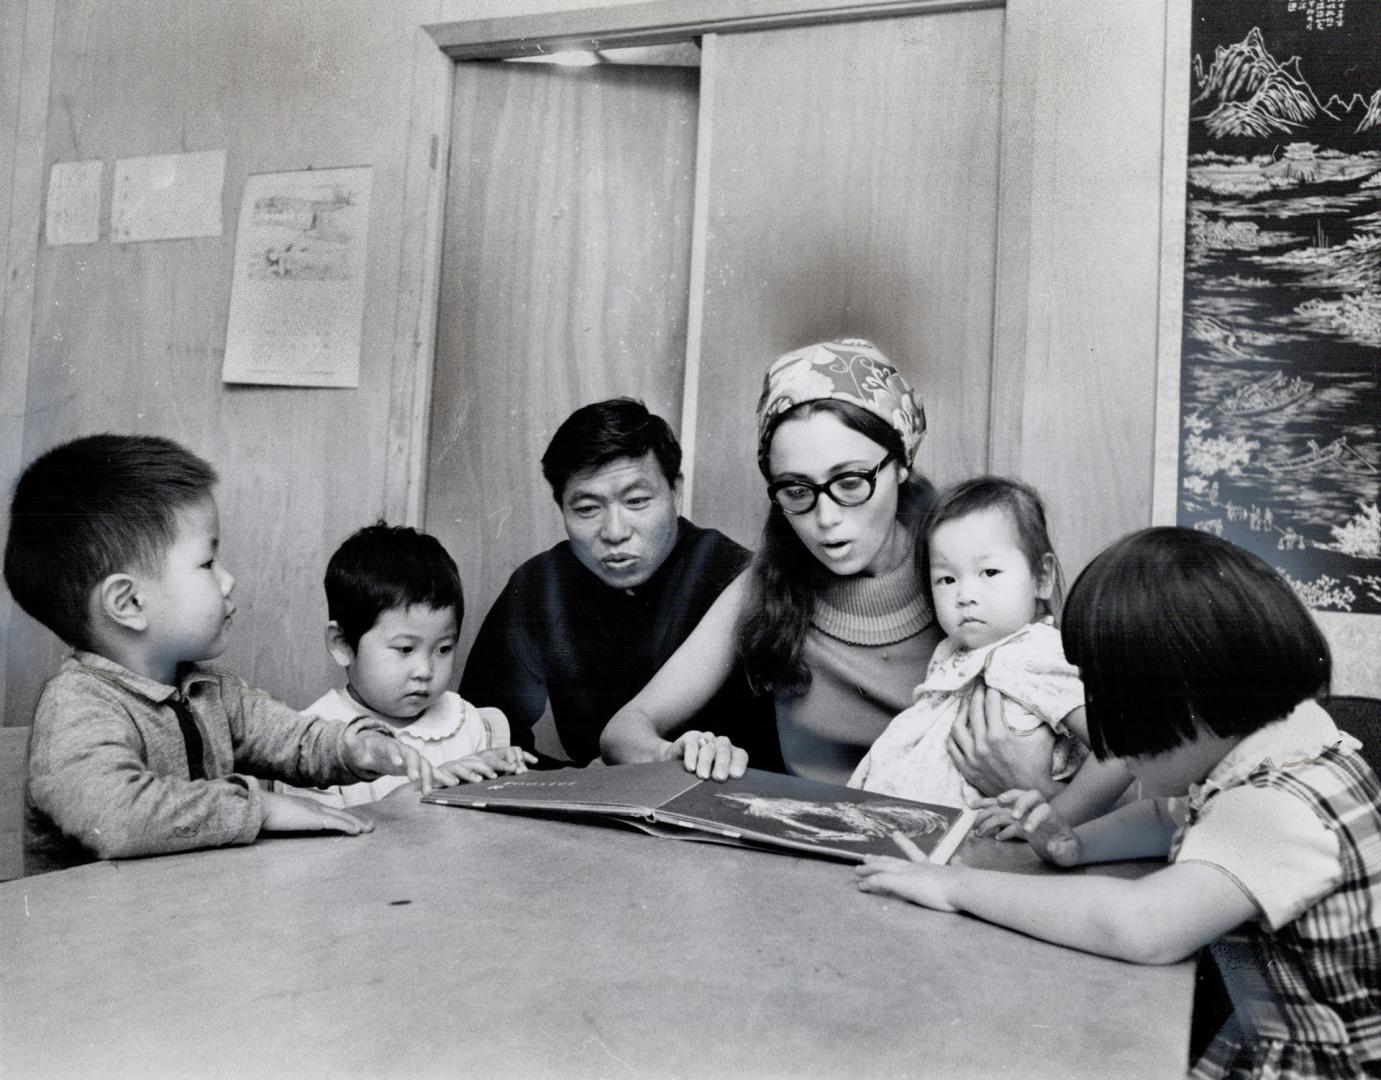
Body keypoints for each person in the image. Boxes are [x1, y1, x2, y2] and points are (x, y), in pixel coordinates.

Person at [856, 527, 1380, 1079]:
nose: (1107, 742)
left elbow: (1140, 926)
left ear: (1189, 698)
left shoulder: (1278, 809)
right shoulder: (1284, 748)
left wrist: (955, 886)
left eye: (1114, 704)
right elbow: (1166, 817)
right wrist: (1074, 842)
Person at [602, 339, 1060, 789]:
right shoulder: (765, 584)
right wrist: (673, 754)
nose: (826, 519)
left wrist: (1034, 784)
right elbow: (624, 730)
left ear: (900, 463)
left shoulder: (967, 573)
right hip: (815, 847)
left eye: (851, 481)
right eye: (797, 490)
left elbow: (1094, 752)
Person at [4, 434, 437, 874]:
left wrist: (357, 748)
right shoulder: (76, 705)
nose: (228, 580)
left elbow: (294, 740)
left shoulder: (210, 691)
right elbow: (116, 818)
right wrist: (259, 809)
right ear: (129, 603)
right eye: (207, 564)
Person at [460, 398, 777, 769]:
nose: (615, 532)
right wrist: (575, 786)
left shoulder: (733, 577)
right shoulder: (540, 585)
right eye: (587, 509)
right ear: (560, 505)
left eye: (637, 501)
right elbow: (485, 736)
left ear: (675, 491)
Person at [849, 477, 1132, 833]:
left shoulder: (1033, 653)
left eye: (989, 572)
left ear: (1041, 577)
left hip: (979, 842)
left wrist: (1058, 815)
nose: (965, 594)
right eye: (947, 579)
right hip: (909, 833)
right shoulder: (953, 651)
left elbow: (1120, 750)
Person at [281, 523, 534, 808]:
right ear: (342, 644)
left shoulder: (465, 720)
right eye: (405, 649)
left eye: (443, 649)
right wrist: (425, 787)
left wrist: (500, 777)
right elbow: (321, 844)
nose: (425, 671)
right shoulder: (314, 740)